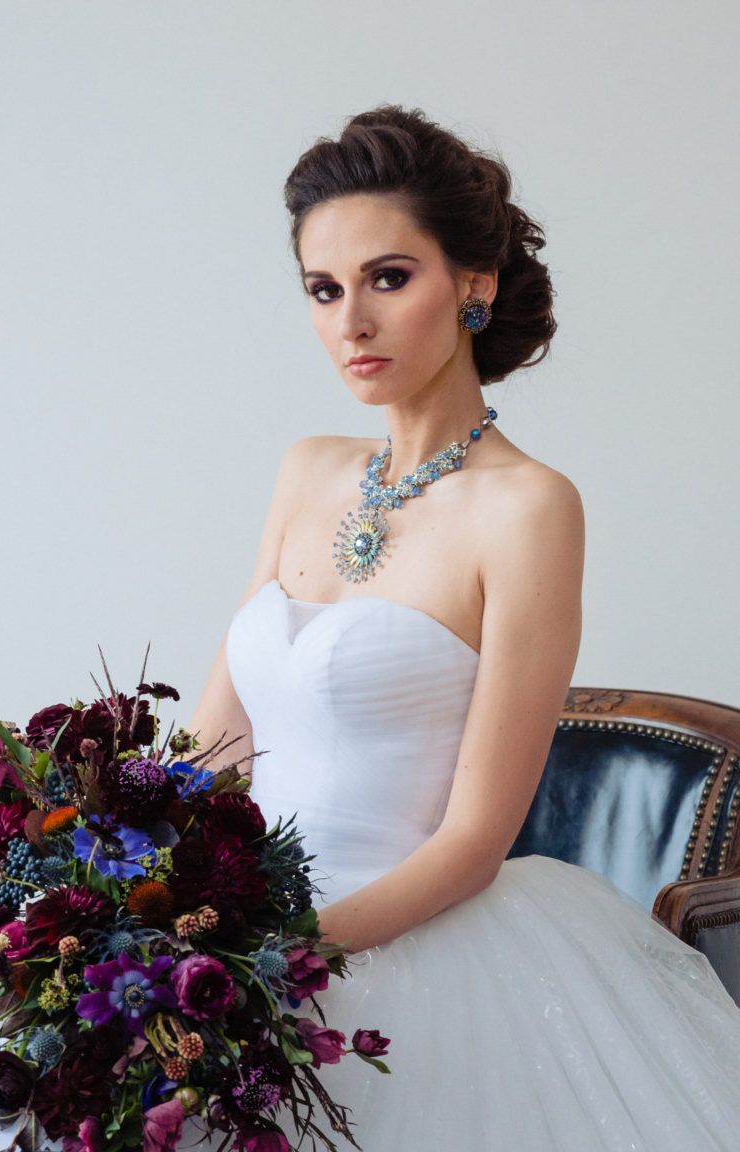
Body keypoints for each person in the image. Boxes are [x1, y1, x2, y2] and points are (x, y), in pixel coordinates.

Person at [189, 105, 740, 1150]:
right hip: (226, 940)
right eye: (324, 288)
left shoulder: (530, 507)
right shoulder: (306, 470)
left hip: (398, 944)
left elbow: (477, 840)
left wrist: (283, 957)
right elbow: (212, 753)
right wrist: (122, 895)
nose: (352, 321)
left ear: (473, 283)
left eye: (389, 278)